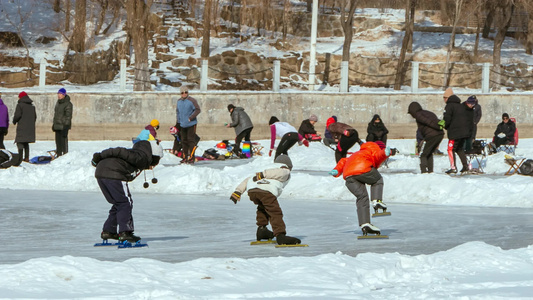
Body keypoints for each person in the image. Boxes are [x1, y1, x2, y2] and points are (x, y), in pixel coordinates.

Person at [91, 140, 164, 243]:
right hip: (114, 174)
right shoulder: (140, 156)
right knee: (125, 203)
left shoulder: (138, 156)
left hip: (101, 173)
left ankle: (109, 231)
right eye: (157, 160)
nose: (155, 165)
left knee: (119, 203)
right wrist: (99, 156)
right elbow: (119, 151)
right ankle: (125, 232)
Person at [230, 154, 301, 245]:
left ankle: (262, 230)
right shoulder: (284, 170)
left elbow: (248, 179)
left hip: (252, 190)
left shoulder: (265, 167)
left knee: (263, 208)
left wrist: (238, 192)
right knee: (274, 212)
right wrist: (264, 174)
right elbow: (281, 173)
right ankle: (280, 235)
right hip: (265, 191)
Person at [328, 141, 396, 236]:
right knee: (377, 180)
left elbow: (343, 161)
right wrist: (385, 152)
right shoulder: (372, 150)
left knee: (362, 197)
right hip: (363, 169)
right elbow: (378, 155)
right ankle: (376, 200)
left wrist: (336, 170)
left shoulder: (356, 154)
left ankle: (365, 224)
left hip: (349, 177)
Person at [441, 88, 473, 174]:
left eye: (444, 97)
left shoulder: (449, 106)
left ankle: (453, 167)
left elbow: (447, 118)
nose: (444, 99)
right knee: (459, 149)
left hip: (454, 132)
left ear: (447, 98)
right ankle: (465, 166)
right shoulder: (461, 105)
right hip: (464, 132)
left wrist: (445, 126)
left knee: (450, 149)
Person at [407, 102, 444, 173]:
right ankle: (430, 171)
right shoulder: (428, 113)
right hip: (439, 134)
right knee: (429, 153)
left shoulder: (419, 115)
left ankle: (424, 172)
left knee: (423, 155)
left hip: (433, 135)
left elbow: (428, 122)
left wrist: (436, 127)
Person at [176, 86, 201, 164]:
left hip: (191, 124)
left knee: (191, 140)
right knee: (183, 141)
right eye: (182, 93)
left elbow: (198, 110)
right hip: (182, 124)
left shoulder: (192, 100)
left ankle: (191, 157)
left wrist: (191, 117)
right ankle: (184, 157)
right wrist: (178, 122)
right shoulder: (179, 101)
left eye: (185, 92)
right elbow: (177, 112)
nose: (184, 94)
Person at [13, 91, 36, 163]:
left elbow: (17, 115)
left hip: (22, 126)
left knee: (19, 142)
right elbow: (35, 117)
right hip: (29, 128)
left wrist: (14, 121)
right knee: (26, 143)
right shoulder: (32, 106)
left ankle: (20, 158)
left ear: (21, 97)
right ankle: (26, 158)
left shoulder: (20, 105)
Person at [52, 88, 73, 156]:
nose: (59, 95)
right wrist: (54, 124)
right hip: (57, 125)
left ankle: (64, 154)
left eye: (60, 94)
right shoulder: (58, 103)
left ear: (64, 95)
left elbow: (68, 116)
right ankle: (59, 153)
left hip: (63, 126)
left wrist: (66, 125)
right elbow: (56, 114)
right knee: (58, 141)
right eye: (58, 94)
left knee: (63, 141)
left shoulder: (68, 104)